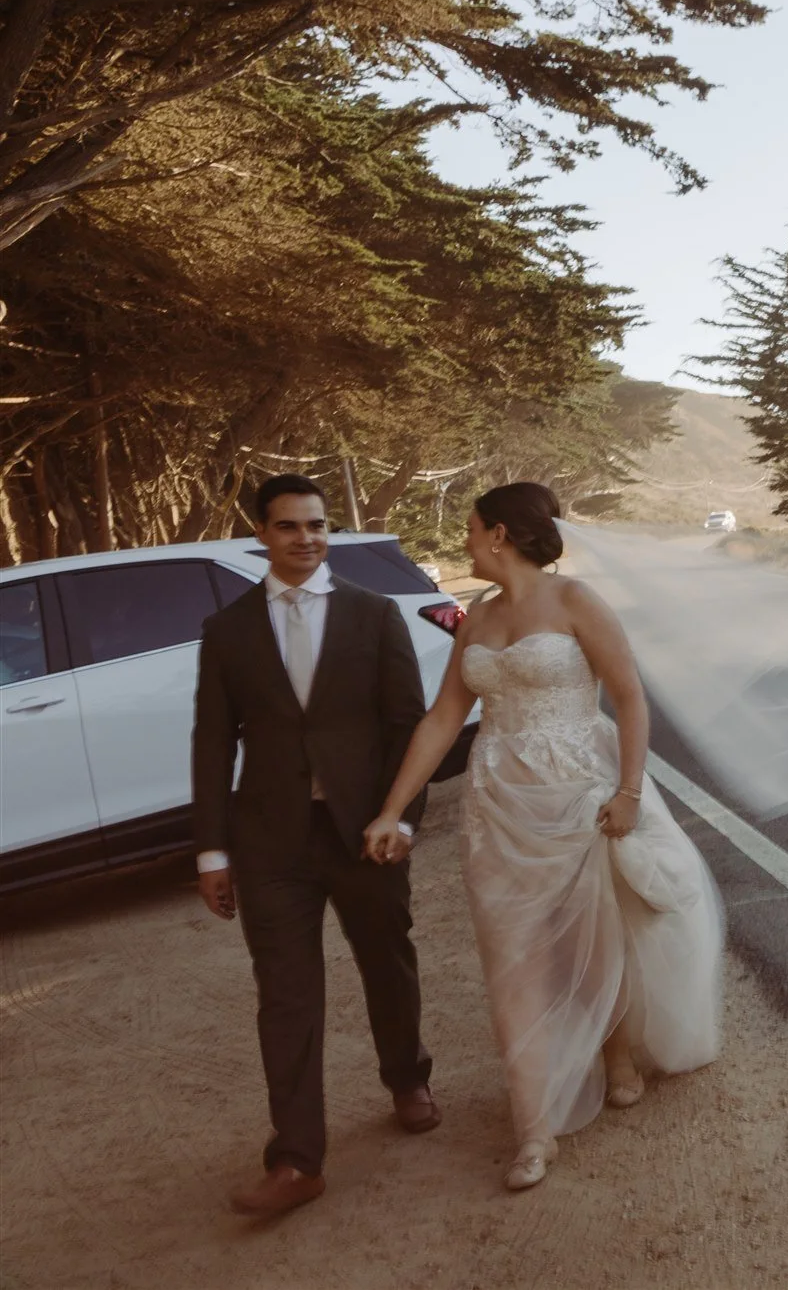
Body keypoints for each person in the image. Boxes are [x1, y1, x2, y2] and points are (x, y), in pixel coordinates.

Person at [365, 482, 723, 1191]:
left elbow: (627, 695)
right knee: (514, 956)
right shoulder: (474, 618)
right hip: (496, 804)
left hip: (576, 793)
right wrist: (393, 809)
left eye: (470, 529)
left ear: (500, 533)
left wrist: (626, 791)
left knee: (589, 934)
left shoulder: (575, 603)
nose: (464, 541)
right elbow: (442, 719)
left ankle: (616, 1052)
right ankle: (533, 1130)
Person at [191, 473, 439, 1218]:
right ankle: (298, 1159)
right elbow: (211, 743)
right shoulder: (227, 630)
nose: (307, 538)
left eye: (318, 524)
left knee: (387, 961)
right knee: (287, 995)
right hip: (270, 843)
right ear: (260, 534)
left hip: (364, 834)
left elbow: (408, 725)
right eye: (291, 526)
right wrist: (211, 851)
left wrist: (402, 819)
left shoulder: (373, 615)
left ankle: (407, 1076)